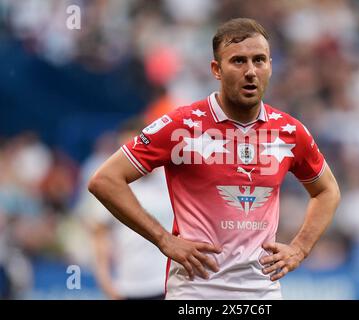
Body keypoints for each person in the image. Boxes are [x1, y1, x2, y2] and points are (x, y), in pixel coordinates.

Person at [88, 18, 340, 300]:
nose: (250, 72)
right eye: (238, 61)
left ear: (270, 66)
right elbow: (105, 180)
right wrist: (163, 239)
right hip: (196, 294)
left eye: (259, 60)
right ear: (216, 70)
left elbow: (327, 190)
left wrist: (300, 248)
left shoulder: (290, 131)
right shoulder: (181, 126)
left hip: (261, 294)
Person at [80, 119, 173, 300]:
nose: (134, 159)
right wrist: (105, 281)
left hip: (168, 284)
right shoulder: (111, 187)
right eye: (127, 152)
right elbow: (99, 236)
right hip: (129, 287)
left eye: (138, 151)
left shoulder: (170, 180)